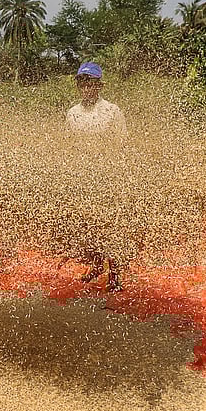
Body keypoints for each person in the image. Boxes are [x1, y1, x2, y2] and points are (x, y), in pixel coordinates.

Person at [64, 62, 127, 292]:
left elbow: (122, 144)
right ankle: (97, 266)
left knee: (111, 225)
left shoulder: (111, 111)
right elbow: (69, 146)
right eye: (82, 82)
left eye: (90, 82)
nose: (86, 86)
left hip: (109, 174)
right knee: (89, 225)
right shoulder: (73, 113)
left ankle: (115, 275)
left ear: (99, 85)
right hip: (84, 176)